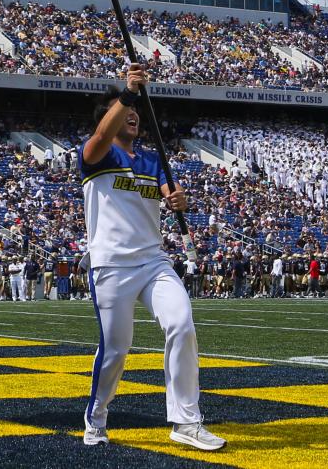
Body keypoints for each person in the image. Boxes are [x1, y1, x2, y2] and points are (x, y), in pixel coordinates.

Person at [80, 65, 225, 452]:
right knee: (115, 351)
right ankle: (96, 416)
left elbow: (170, 190)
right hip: (110, 265)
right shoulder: (96, 154)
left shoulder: (152, 159)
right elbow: (98, 138)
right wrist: (127, 93)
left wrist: (179, 198)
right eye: (122, 109)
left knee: (181, 323)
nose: (132, 114)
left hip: (153, 262)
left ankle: (185, 421)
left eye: (135, 110)